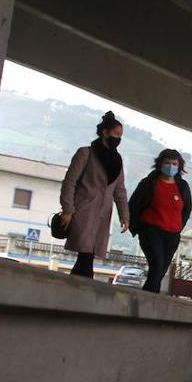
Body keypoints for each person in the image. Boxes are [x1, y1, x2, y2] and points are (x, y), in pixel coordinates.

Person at [60, 111, 130, 279]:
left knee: (87, 256)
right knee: (85, 255)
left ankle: (75, 292)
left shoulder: (117, 161)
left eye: (121, 135)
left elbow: (119, 191)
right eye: (116, 134)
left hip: (103, 214)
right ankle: (81, 293)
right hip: (83, 211)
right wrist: (68, 210)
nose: (118, 139)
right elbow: (70, 182)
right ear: (105, 132)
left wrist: (124, 215)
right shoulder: (85, 153)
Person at [129, 149, 192, 293]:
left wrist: (179, 226)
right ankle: (150, 300)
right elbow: (134, 205)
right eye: (167, 163)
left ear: (179, 166)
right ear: (160, 164)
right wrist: (136, 226)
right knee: (157, 264)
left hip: (172, 234)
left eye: (174, 163)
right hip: (151, 230)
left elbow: (187, 209)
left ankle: (147, 298)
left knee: (160, 270)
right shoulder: (148, 183)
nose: (170, 166)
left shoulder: (182, 187)